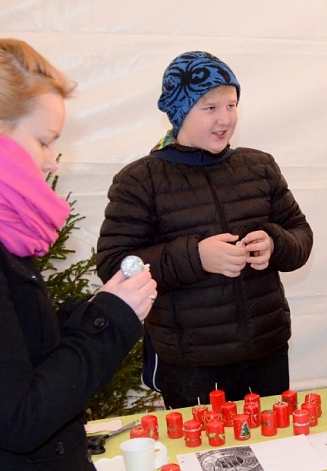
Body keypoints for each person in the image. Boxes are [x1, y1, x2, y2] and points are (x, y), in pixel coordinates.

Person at [0, 39, 156, 471]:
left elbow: (10, 351)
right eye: (43, 141)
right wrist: (109, 322)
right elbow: (18, 414)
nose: (53, 161)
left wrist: (96, 307)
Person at [97, 51, 313, 409]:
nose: (225, 118)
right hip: (191, 364)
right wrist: (195, 257)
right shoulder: (140, 180)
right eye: (210, 108)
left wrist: (276, 243)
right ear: (180, 112)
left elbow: (300, 234)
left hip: (267, 352)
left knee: (277, 454)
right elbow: (116, 265)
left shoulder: (259, 167)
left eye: (231, 105)